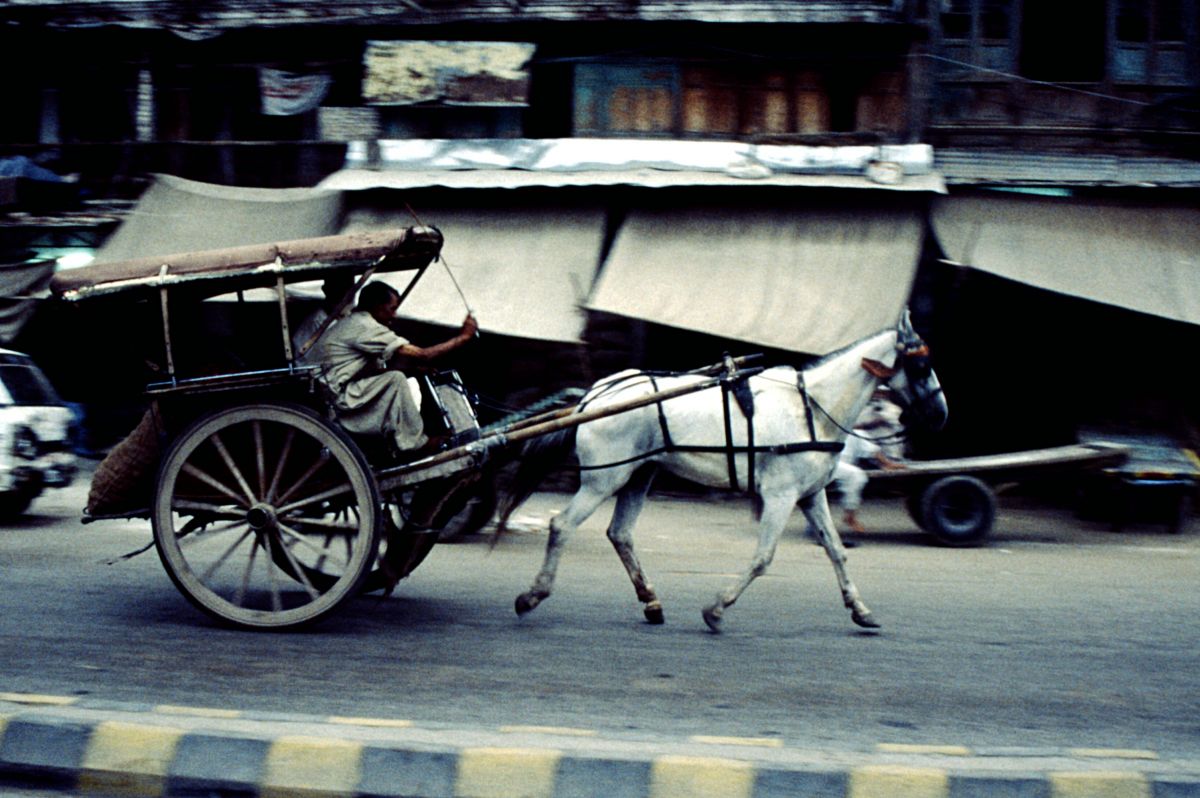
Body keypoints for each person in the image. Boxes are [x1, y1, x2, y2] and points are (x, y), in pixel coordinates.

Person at [319, 280, 477, 457]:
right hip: (340, 398)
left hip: (345, 390)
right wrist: (463, 338)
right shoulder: (364, 326)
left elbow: (367, 372)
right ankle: (415, 444)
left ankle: (404, 439)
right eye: (391, 308)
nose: (394, 315)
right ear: (377, 307)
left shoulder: (356, 322)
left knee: (398, 376)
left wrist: (413, 371)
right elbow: (423, 354)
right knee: (396, 379)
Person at [292, 274, 355, 365]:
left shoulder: (350, 317)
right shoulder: (313, 323)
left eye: (350, 289)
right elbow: (309, 361)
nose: (347, 295)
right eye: (340, 289)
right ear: (327, 290)